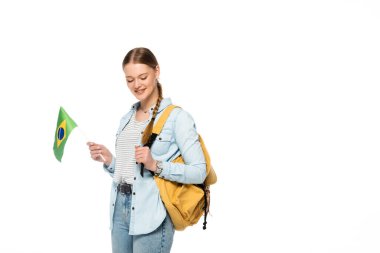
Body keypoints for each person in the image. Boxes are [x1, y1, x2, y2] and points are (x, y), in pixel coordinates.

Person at [87, 47, 207, 253]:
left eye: (142, 77)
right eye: (130, 79)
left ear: (156, 71)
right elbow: (132, 172)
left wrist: (155, 165)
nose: (136, 85)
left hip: (152, 212)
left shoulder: (177, 118)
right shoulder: (127, 118)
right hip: (119, 209)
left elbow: (199, 171)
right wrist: (110, 161)